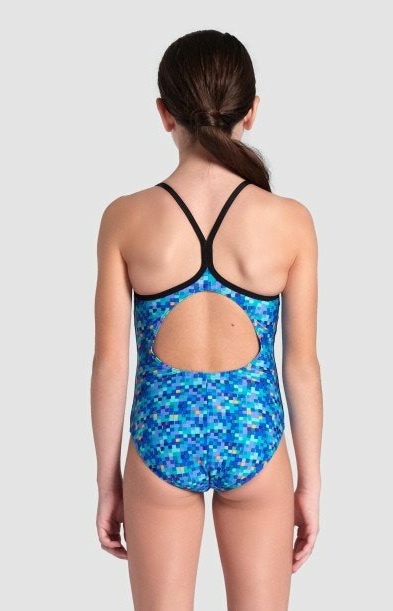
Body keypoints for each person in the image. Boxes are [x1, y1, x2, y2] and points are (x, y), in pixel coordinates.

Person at [91, 29, 323, 610]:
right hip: (256, 440)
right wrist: (311, 483)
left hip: (158, 441)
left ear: (164, 113)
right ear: (251, 111)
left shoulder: (125, 218)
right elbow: (301, 365)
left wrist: (107, 481)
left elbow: (110, 362)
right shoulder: (290, 221)